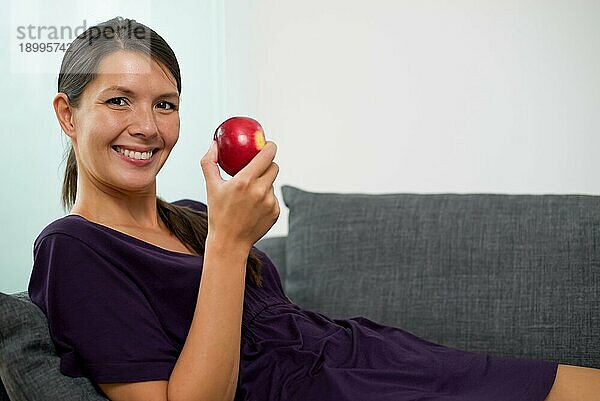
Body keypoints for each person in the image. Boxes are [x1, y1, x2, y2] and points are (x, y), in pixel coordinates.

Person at [27, 16, 600, 401]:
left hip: (365, 354)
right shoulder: (73, 249)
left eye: (166, 104)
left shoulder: (191, 215)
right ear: (68, 114)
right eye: (118, 100)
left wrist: (224, 231)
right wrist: (230, 245)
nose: (148, 127)